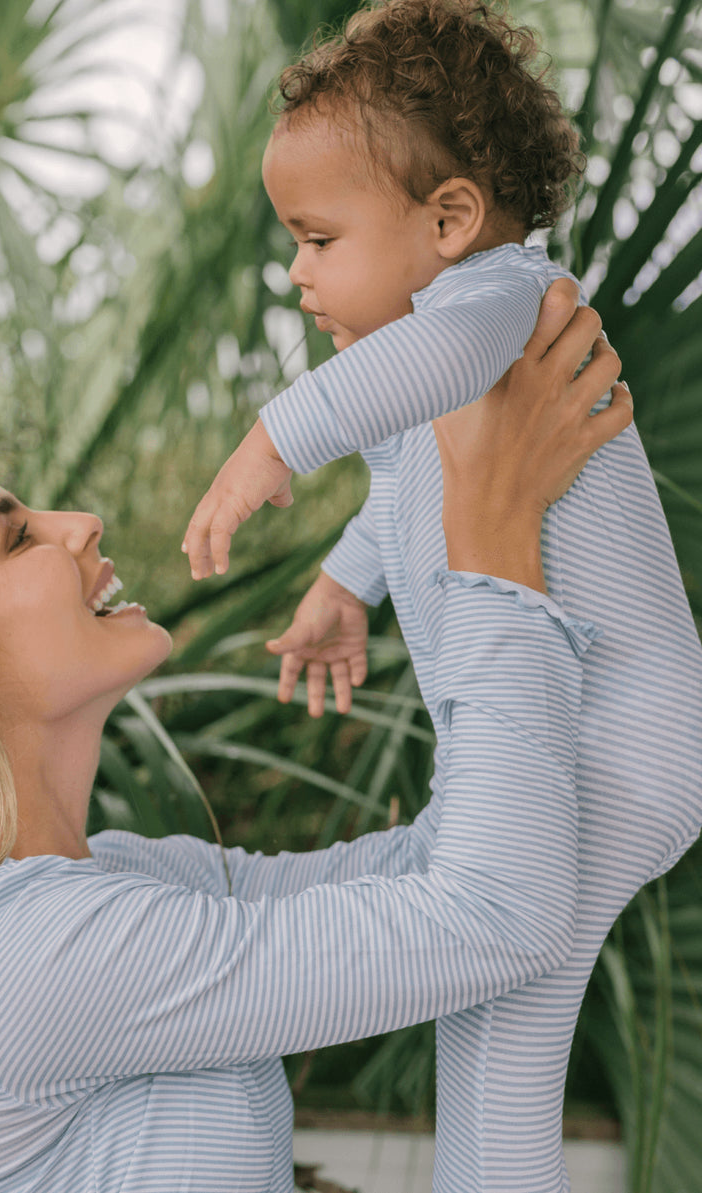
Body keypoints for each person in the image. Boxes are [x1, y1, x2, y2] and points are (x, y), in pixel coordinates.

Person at [0, 286, 630, 1193]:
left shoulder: (121, 879)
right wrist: (493, 538)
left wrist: (425, 444)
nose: (80, 525)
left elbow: (448, 862)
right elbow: (496, 915)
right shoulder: (8, 949)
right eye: (19, 538)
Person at [181, 2, 702, 1189]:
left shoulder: (503, 304)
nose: (298, 270)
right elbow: (404, 495)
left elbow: (416, 370)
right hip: (584, 734)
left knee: (506, 1011)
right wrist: (338, 586)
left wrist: (276, 436)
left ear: (451, 220)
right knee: (486, 1004)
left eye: (318, 238)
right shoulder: (454, 365)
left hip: (622, 737)